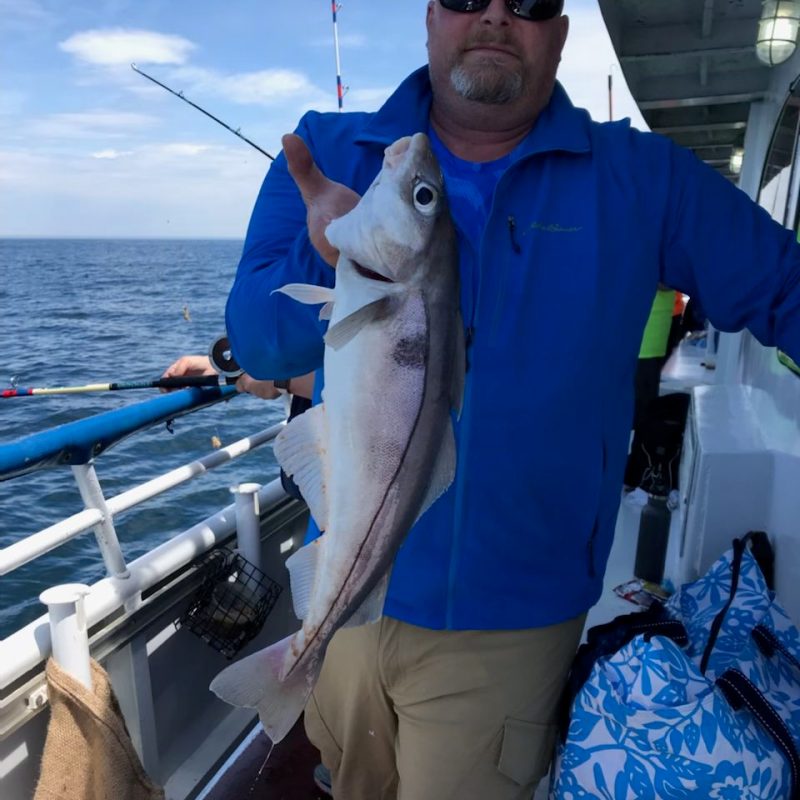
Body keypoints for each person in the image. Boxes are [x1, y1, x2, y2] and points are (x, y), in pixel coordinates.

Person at [224, 1, 800, 798]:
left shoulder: (640, 177)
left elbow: (785, 288)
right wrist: (332, 262)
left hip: (512, 619)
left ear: (558, 31)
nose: (495, 14)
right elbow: (257, 343)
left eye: (527, 0)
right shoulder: (328, 150)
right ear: (430, 17)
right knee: (352, 784)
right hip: (345, 598)